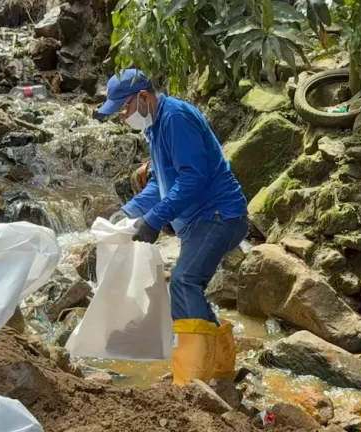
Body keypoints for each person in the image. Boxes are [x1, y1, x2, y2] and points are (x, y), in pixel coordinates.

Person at [97, 69, 249, 386]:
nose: (123, 118)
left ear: (143, 97)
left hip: (220, 214)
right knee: (186, 285)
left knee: (183, 281)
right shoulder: (156, 126)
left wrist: (153, 221)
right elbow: (160, 186)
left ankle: (191, 382)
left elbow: (194, 178)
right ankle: (219, 371)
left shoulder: (176, 117)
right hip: (198, 221)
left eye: (123, 110)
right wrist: (128, 213)